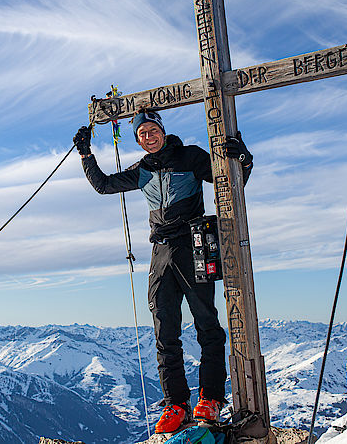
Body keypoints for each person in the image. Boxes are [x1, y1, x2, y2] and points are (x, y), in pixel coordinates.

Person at [73, 109, 253, 434]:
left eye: (152, 130)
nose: (148, 136)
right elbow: (102, 185)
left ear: (162, 130)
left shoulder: (191, 157)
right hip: (160, 253)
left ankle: (210, 399)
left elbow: (231, 178)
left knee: (207, 326)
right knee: (164, 333)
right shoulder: (142, 170)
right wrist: (86, 154)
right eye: (141, 134)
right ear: (138, 139)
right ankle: (176, 405)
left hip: (194, 245)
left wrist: (242, 155)